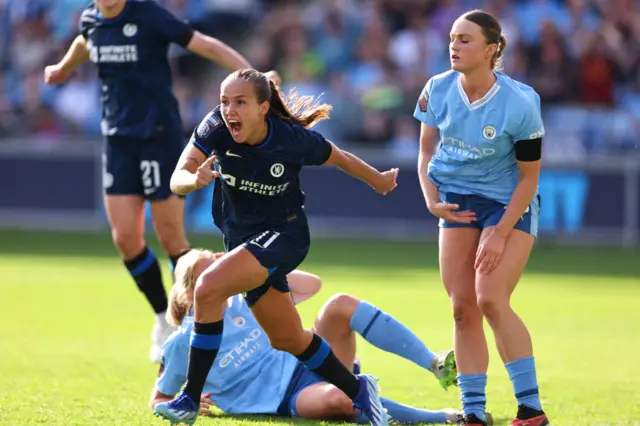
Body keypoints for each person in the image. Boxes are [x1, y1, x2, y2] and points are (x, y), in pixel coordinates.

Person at [153, 68, 399, 425]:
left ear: (263, 108)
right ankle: (358, 391)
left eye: (240, 102)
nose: (229, 110)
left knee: (206, 288)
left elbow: (340, 157)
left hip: (285, 236)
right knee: (287, 338)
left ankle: (188, 399)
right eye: (224, 102)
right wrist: (194, 179)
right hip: (244, 242)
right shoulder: (214, 129)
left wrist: (377, 180)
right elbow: (177, 179)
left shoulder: (291, 139)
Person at [43, 0, 277, 363]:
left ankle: (194, 320)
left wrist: (253, 78)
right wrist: (61, 69)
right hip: (118, 141)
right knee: (125, 238)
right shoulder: (91, 18)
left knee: (171, 239)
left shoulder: (148, 14)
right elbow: (85, 42)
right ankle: (162, 316)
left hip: (158, 136)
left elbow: (206, 45)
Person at [414, 9, 549, 426]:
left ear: (492, 50)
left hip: (508, 203)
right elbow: (425, 154)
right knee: (461, 309)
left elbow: (529, 177)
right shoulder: (436, 89)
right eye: (453, 38)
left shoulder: (521, 101)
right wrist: (431, 200)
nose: (454, 45)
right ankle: (473, 413)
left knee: (490, 298)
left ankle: (530, 410)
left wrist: (499, 232)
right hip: (455, 199)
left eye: (465, 39)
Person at [150, 249, 467, 425]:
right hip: (289, 397)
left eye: (221, 267)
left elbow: (311, 284)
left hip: (312, 357)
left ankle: (433, 363)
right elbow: (158, 399)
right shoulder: (181, 342)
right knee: (340, 400)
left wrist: (248, 266)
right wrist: (187, 400)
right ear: (190, 291)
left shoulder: (246, 300)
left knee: (339, 304)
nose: (220, 276)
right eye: (212, 273)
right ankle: (446, 418)